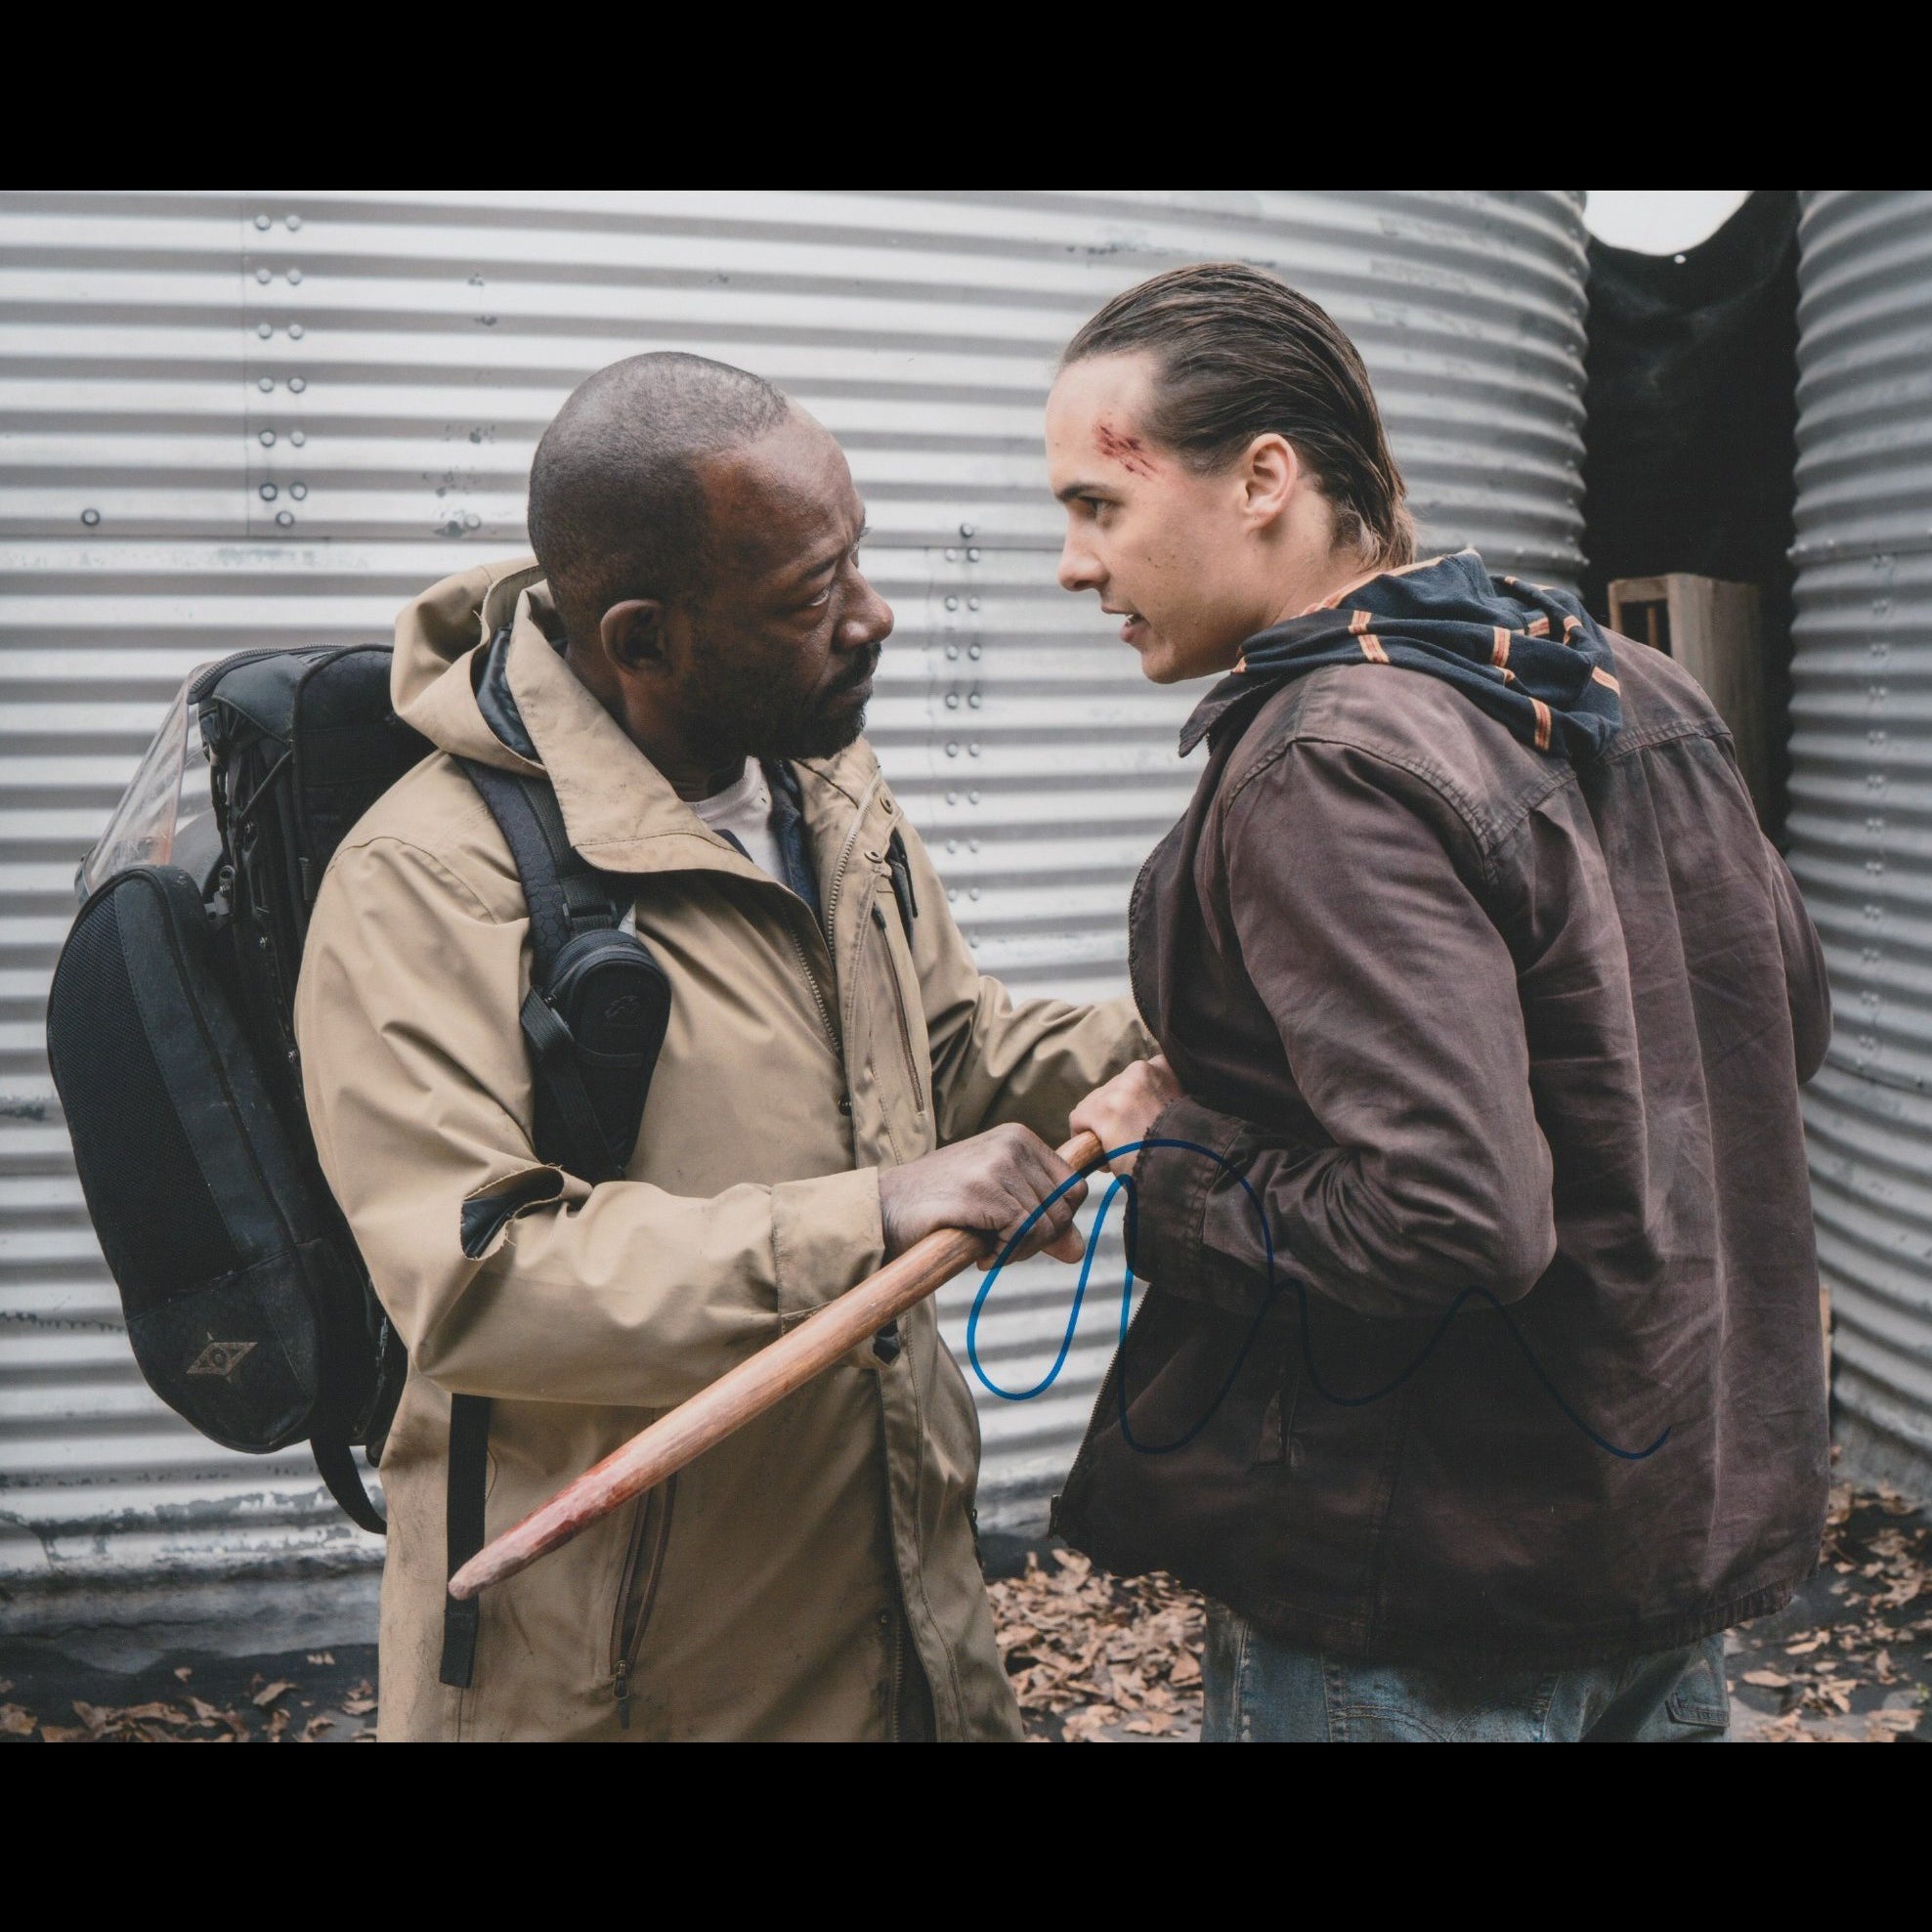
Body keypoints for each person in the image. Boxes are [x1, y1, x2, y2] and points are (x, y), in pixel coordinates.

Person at [294, 351, 1153, 1740]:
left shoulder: (823, 789)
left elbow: (946, 1053)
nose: (872, 615)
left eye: (856, 557)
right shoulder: (430, 882)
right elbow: (476, 1282)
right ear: (643, 641)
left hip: (900, 1638)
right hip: (626, 1689)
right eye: (812, 596)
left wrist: (1194, 1025)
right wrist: (872, 1217)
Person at [1049, 264, 1832, 1742]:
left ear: (1264, 479)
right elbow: (1773, 1032)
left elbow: (1451, 1214)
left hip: (1427, 1591)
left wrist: (1171, 1166)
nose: (1073, 565)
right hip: (1646, 1542)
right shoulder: (1624, 685)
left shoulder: (1325, 761)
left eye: (1098, 504)